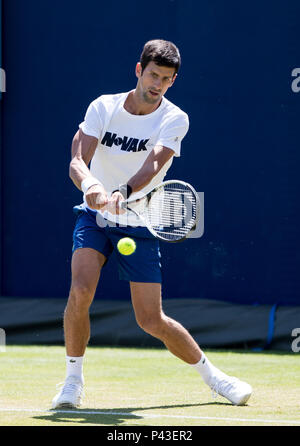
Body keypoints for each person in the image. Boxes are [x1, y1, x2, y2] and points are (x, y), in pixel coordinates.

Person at [52, 39, 252, 409]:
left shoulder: (175, 118)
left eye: (166, 78)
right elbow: (77, 159)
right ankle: (72, 382)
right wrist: (94, 187)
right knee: (80, 291)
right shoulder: (104, 106)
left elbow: (154, 165)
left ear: (173, 81)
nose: (156, 84)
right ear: (138, 70)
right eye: (153, 74)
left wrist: (123, 191)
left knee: (151, 320)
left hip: (139, 222)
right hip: (94, 218)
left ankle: (216, 379)